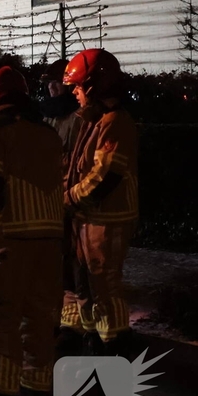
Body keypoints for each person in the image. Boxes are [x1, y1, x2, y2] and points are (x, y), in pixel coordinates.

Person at [0, 66, 64, 396]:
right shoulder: (48, 133)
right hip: (50, 237)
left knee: (2, 311)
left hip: (9, 235)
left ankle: (0, 382)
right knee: (40, 313)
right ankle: (39, 380)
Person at [63, 49, 138, 357]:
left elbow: (103, 178)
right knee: (87, 281)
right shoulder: (96, 121)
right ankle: (93, 339)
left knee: (104, 282)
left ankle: (115, 345)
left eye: (78, 86)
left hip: (108, 218)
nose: (74, 92)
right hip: (89, 217)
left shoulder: (114, 122)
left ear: (94, 86)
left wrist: (67, 198)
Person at [39, 59, 88, 356]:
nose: (51, 88)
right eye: (49, 83)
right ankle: (57, 320)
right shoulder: (49, 116)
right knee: (53, 265)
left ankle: (72, 328)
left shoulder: (78, 119)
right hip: (51, 200)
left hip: (70, 201)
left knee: (72, 265)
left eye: (56, 82)